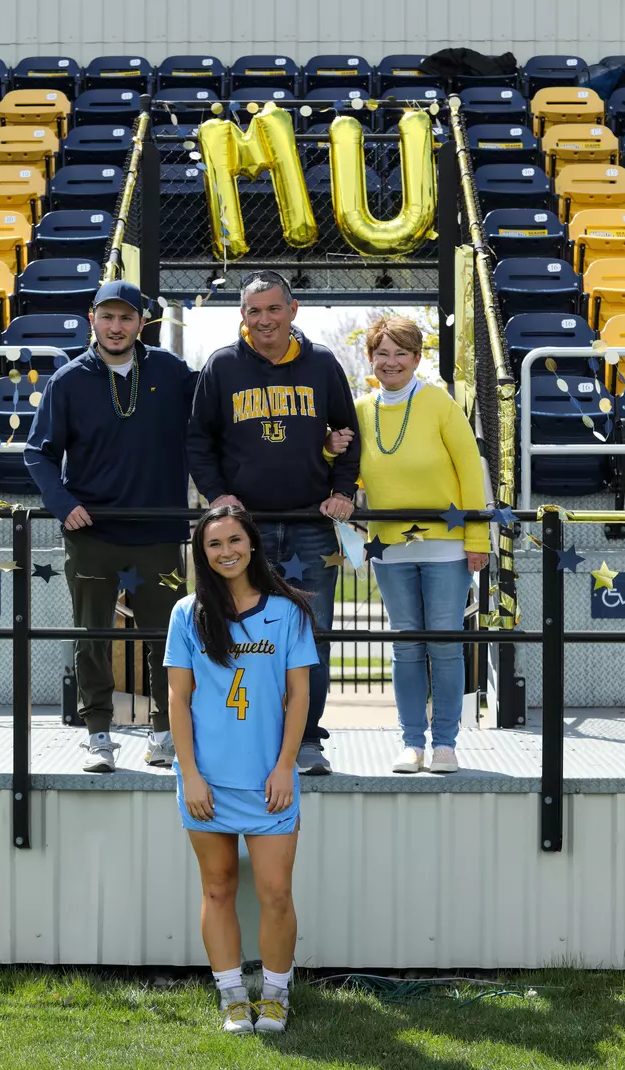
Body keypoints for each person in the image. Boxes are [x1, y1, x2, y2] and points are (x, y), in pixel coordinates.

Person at [187, 269, 360, 777]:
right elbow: (198, 442)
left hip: (310, 525)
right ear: (242, 316)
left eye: (273, 308)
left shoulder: (323, 363)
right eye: (254, 311)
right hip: (246, 531)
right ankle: (249, 736)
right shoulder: (221, 366)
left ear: (293, 309)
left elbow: (346, 432)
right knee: (240, 638)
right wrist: (219, 497)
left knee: (311, 637)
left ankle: (307, 739)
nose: (264, 320)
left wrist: (343, 492)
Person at [24, 280, 198, 773]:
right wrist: (62, 502)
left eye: (126, 317)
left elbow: (213, 418)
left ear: (142, 322)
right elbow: (38, 452)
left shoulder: (171, 371)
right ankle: (98, 734)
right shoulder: (69, 379)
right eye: (108, 317)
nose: (116, 327)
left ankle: (163, 734)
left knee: (167, 638)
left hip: (158, 534)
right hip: (92, 533)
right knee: (92, 636)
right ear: (92, 318)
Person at [164, 505, 318, 1034]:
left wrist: (284, 767)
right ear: (201, 553)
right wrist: (190, 774)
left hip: (269, 780)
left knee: (275, 892)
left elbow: (298, 697)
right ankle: (233, 997)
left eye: (234, 540)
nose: (225, 551)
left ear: (252, 543)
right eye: (213, 544)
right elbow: (178, 701)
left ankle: (275, 995)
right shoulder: (187, 613)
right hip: (207, 780)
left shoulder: (288, 612)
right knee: (218, 888)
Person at [351, 317, 489, 774]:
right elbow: (345, 468)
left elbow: (471, 470)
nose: (391, 362)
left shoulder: (439, 403)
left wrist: (478, 536)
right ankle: (411, 742)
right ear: (371, 358)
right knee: (406, 646)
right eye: (382, 353)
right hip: (389, 548)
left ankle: (445, 744)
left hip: (446, 546)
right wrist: (332, 448)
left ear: (416, 358)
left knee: (445, 645)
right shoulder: (360, 409)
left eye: (401, 353)